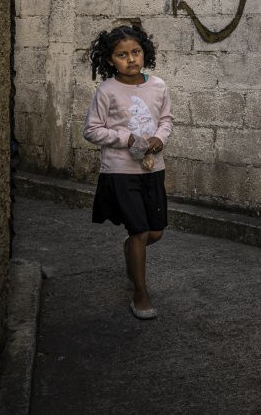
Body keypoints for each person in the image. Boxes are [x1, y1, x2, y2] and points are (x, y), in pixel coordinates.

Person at [82, 24, 173, 320]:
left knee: (155, 232)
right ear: (110, 60)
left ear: (144, 52)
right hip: (121, 171)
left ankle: (132, 250)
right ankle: (140, 293)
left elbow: (166, 120)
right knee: (139, 230)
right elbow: (92, 130)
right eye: (122, 55)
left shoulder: (158, 85)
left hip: (152, 169)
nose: (131, 59)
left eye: (135, 52)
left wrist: (160, 137)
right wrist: (127, 139)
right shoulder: (107, 90)